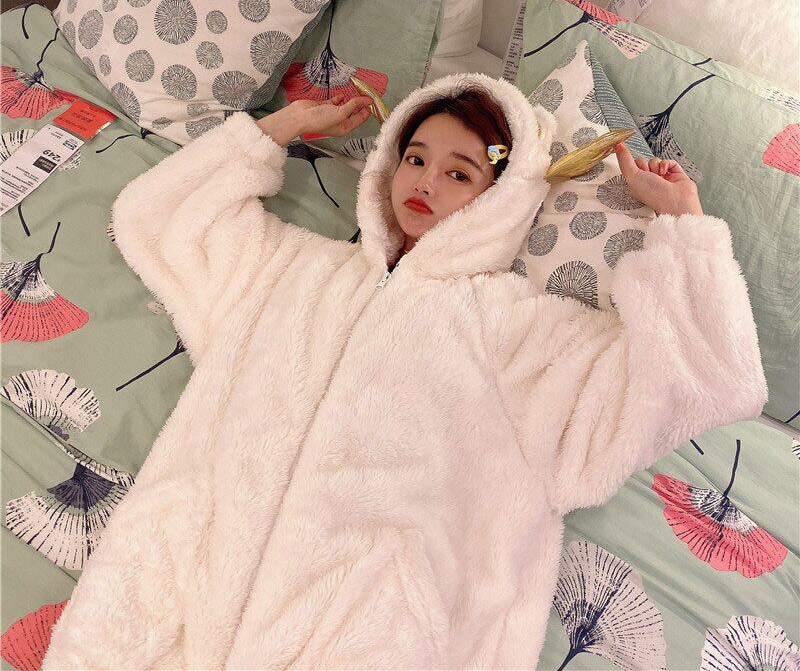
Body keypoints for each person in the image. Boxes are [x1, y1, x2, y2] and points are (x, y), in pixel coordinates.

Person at [43, 73, 766, 670]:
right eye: (415, 158)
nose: (425, 182)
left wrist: (685, 227)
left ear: (503, 194)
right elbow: (157, 216)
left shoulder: (520, 334)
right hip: (169, 610)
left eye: (460, 172)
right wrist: (282, 126)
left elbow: (702, 379)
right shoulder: (294, 270)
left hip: (370, 638)